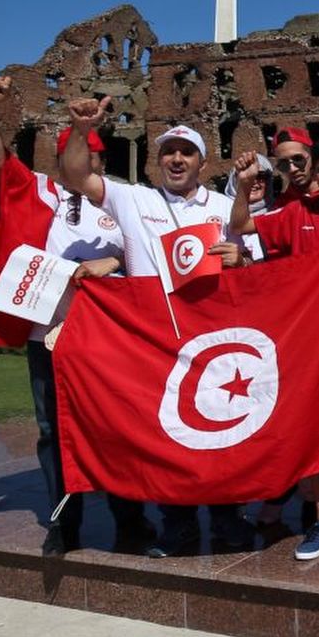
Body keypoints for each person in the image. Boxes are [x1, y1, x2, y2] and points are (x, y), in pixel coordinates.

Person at [59, 98, 253, 558]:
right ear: (157, 160)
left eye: (186, 152)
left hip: (211, 337)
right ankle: (177, 525)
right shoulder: (134, 198)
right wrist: (81, 129)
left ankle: (227, 518)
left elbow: (254, 267)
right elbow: (76, 176)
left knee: (221, 432)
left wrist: (240, 258)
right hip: (154, 340)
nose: (177, 159)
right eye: (169, 152)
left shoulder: (226, 207)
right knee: (165, 437)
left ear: (202, 162)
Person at [0, 77, 143, 555]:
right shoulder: (40, 191)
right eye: (69, 151)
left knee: (115, 427)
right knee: (52, 430)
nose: (78, 160)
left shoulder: (123, 200)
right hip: (47, 334)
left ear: (100, 161)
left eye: (87, 153)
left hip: (108, 339)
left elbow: (149, 254)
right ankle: (64, 524)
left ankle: (130, 520)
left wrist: (114, 259)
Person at [230, 134, 319, 561]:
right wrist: (244, 185)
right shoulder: (297, 214)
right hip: (310, 342)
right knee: (315, 431)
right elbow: (240, 226)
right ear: (314, 172)